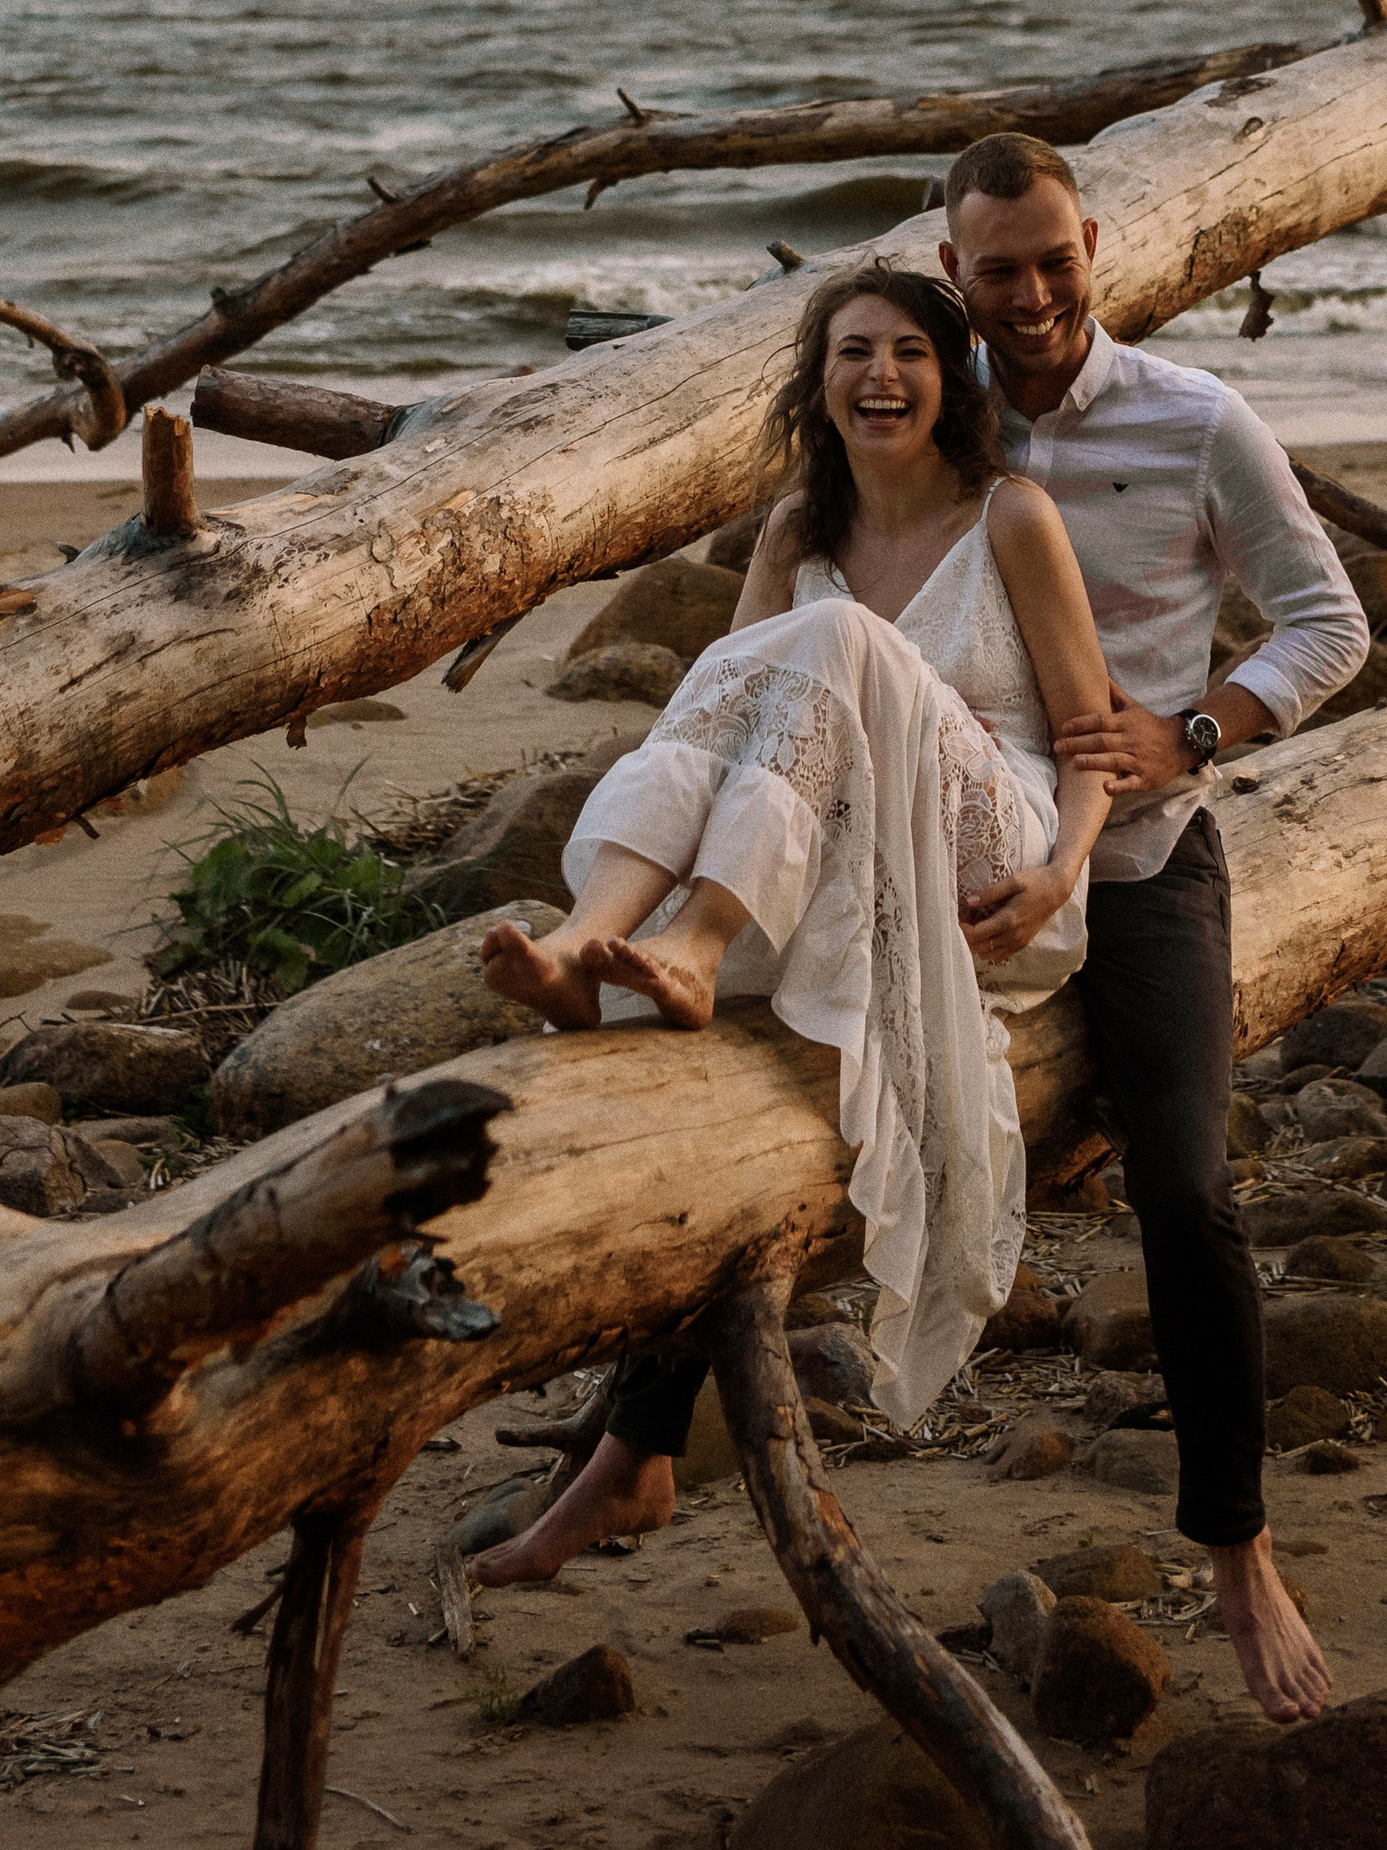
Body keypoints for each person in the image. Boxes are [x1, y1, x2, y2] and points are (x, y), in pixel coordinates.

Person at [484, 135, 1368, 1731]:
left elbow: (1332, 618)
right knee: (729, 1111)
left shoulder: (1190, 419)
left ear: (1092, 246)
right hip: (865, 840)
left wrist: (1201, 728)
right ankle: (636, 1441)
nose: (1029, 294)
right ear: (951, 277)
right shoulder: (902, 425)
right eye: (996, 272)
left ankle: (1238, 1547)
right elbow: (744, 693)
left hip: (1129, 844)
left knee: (1185, 1182)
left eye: (1054, 261)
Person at [477, 258, 1115, 1435]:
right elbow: (723, 720)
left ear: (952, 378)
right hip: (841, 858)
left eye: (909, 353)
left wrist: (1060, 871)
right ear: (818, 385)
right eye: (853, 354)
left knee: (830, 632)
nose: (881, 375)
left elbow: (1089, 735)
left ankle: (699, 942)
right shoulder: (794, 526)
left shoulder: (1009, 514)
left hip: (997, 855)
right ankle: (586, 941)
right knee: (740, 673)